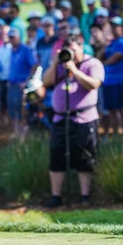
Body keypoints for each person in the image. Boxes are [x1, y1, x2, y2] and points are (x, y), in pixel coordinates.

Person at [43, 33, 105, 208]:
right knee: (56, 155)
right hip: (60, 119)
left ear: (81, 48)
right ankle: (56, 196)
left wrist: (75, 70)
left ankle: (85, 196)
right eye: (67, 50)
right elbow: (46, 82)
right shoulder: (60, 64)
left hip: (84, 119)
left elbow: (93, 84)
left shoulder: (92, 64)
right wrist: (55, 63)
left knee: (84, 157)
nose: (70, 53)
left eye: (73, 50)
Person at [6, 28, 38, 139]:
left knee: (22, 111)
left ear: (19, 38)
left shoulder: (25, 50)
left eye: (14, 37)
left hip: (21, 85)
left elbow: (34, 65)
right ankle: (15, 133)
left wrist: (27, 81)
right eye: (10, 37)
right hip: (11, 84)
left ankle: (22, 136)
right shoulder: (10, 50)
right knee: (12, 111)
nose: (12, 40)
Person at [102, 17, 123, 136]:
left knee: (121, 108)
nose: (114, 29)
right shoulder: (112, 42)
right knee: (111, 110)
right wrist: (105, 42)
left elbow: (114, 59)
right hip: (107, 81)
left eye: (116, 26)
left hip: (119, 80)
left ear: (122, 27)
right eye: (112, 26)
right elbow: (101, 54)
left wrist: (100, 64)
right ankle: (114, 133)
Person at [0, 26, 12, 124]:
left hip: (13, 81)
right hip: (2, 80)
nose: (3, 35)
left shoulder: (14, 48)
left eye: (5, 33)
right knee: (3, 105)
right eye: (1, 33)